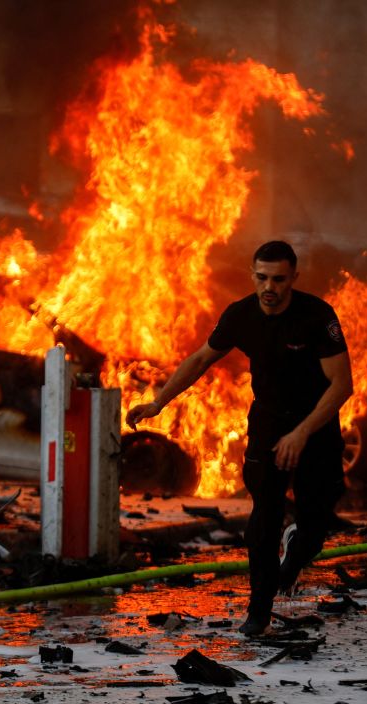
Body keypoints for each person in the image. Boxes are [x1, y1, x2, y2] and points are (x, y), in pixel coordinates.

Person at [126, 240, 353, 636]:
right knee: (263, 520)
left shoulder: (316, 317)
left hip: (314, 428)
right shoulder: (240, 315)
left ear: (293, 279)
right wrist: (158, 402)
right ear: (253, 275)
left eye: (279, 279)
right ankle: (258, 613)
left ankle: (298, 549)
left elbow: (341, 386)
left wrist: (301, 433)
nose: (270, 287)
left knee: (317, 522)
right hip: (267, 424)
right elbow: (199, 359)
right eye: (262, 277)